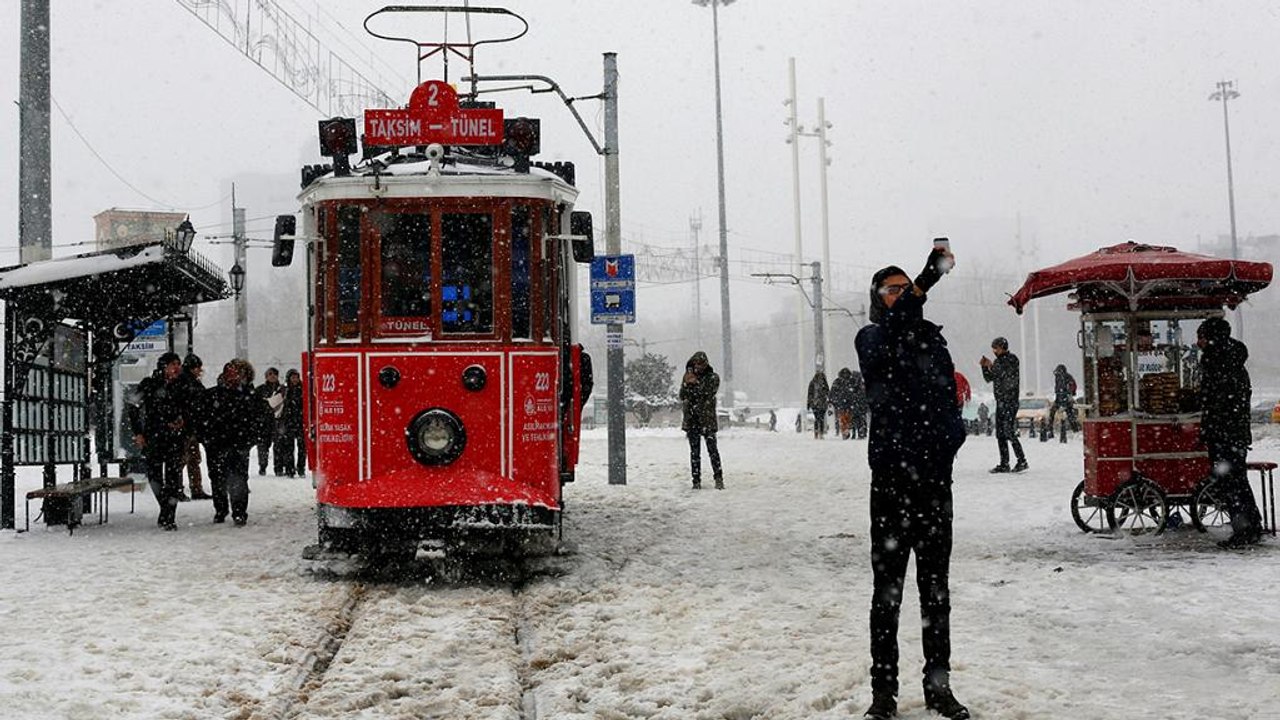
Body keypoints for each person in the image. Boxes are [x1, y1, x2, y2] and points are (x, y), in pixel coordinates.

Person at [855, 247, 969, 720]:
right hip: (891, 484)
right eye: (893, 289)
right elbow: (890, 341)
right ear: (878, 298)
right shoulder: (872, 337)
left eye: (906, 288)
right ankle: (884, 693)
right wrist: (923, 281)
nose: (902, 295)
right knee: (888, 594)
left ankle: (938, 688)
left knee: (936, 593)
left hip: (933, 485)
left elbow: (945, 398)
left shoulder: (932, 340)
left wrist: (951, 440)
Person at [1197, 317, 1264, 548]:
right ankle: (1251, 524)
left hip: (1224, 434)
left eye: (1201, 337)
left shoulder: (1218, 364)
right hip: (1234, 434)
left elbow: (1214, 401)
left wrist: (1210, 426)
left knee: (1231, 484)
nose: (1198, 343)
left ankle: (1243, 530)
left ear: (1212, 339)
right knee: (1237, 482)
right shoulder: (1233, 361)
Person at [202, 359, 272, 526]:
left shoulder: (251, 396)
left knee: (238, 478)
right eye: (231, 372)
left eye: (238, 373)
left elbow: (263, 418)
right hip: (217, 443)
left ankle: (238, 511)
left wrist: (252, 438)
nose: (234, 376)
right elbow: (201, 417)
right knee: (217, 477)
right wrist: (206, 437)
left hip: (238, 443)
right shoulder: (213, 395)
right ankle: (221, 509)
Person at [130, 352, 193, 531]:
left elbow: (191, 407)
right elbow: (133, 406)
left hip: (175, 437)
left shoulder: (183, 385)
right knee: (154, 475)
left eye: (178, 364)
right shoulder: (149, 384)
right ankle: (165, 507)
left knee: (173, 477)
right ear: (164, 366)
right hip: (154, 436)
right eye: (173, 364)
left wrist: (183, 421)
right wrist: (138, 432)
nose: (176, 368)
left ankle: (169, 515)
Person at [980, 337, 1028, 473]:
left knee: (1008, 431)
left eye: (996, 348)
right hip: (1000, 402)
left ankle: (1022, 460)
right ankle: (1004, 463)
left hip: (1010, 401)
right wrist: (984, 367)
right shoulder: (997, 362)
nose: (994, 351)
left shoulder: (1012, 359)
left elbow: (1005, 375)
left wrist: (991, 366)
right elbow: (990, 378)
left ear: (1002, 347)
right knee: (1000, 433)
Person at [679, 351, 724, 490]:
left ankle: (718, 478)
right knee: (694, 453)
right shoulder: (687, 377)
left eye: (701, 364)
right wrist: (687, 384)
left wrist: (695, 384)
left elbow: (707, 393)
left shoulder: (713, 377)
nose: (699, 367)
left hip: (707, 420)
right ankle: (696, 480)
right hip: (692, 420)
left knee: (713, 451)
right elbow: (682, 395)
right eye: (697, 364)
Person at [178, 354, 211, 500]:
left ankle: (181, 488)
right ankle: (194, 488)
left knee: (188, 459)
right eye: (198, 368)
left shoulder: (184, 382)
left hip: (187, 426)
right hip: (188, 427)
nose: (200, 371)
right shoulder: (190, 383)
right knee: (189, 459)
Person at [254, 368, 284, 476]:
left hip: (278, 422)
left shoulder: (283, 390)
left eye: (275, 374)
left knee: (279, 446)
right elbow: (255, 406)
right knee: (263, 446)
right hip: (264, 422)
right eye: (270, 374)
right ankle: (262, 466)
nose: (272, 376)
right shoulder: (260, 390)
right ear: (266, 376)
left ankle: (279, 468)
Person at [278, 369, 306, 477]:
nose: (295, 379)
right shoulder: (284, 390)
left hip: (300, 421)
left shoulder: (303, 389)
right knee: (289, 447)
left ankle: (301, 468)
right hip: (288, 421)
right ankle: (290, 469)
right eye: (293, 377)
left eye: (296, 377)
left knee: (302, 447)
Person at [1048, 364, 1079, 443]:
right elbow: (1073, 385)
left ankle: (1050, 429)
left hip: (1062, 397)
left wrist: (1069, 392)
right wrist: (1072, 392)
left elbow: (1072, 386)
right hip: (1063, 397)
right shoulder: (1065, 377)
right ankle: (1075, 429)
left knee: (1053, 413)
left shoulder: (1061, 377)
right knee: (1070, 414)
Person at [829, 368, 857, 439]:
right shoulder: (851, 381)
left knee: (844, 419)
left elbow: (832, 392)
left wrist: (832, 401)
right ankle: (845, 431)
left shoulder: (838, 381)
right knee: (846, 419)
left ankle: (845, 431)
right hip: (847, 404)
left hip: (842, 404)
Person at [807, 370, 830, 439]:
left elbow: (810, 394)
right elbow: (810, 393)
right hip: (818, 403)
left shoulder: (813, 383)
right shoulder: (822, 383)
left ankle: (818, 432)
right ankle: (819, 432)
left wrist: (809, 403)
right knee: (819, 418)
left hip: (818, 403)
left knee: (819, 418)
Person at [850, 369, 869, 439]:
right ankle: (861, 433)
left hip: (856, 404)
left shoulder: (852, 384)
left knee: (856, 419)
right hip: (860, 404)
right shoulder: (861, 384)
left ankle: (857, 433)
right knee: (861, 419)